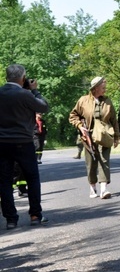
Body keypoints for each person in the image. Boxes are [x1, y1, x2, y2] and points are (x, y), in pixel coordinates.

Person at [0, 64, 49, 228]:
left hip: (3, 143)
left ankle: (11, 219)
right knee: (32, 178)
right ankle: (35, 215)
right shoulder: (25, 94)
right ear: (22, 78)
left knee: (5, 182)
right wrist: (34, 90)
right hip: (24, 142)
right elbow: (43, 106)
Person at [69, 76, 120, 199]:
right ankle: (92, 187)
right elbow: (73, 116)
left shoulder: (108, 101)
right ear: (95, 88)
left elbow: (114, 120)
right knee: (91, 163)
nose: (105, 89)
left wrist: (117, 136)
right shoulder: (83, 100)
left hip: (105, 135)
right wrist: (80, 127)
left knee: (104, 161)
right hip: (89, 136)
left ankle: (104, 189)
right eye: (103, 87)